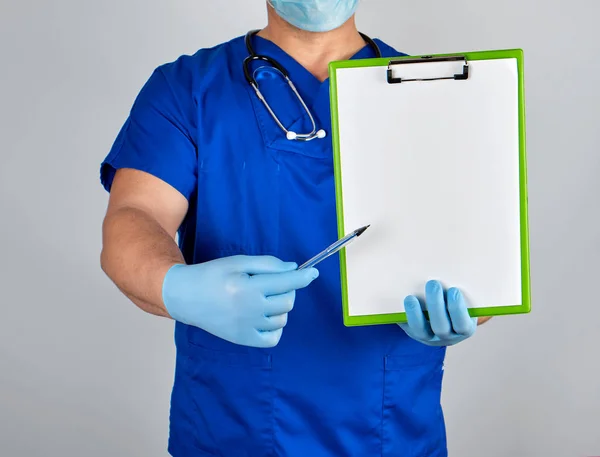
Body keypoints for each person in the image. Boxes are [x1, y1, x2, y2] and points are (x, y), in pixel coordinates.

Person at [99, 1, 490, 455]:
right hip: (229, 431)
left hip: (390, 433)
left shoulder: (436, 94)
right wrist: (177, 286)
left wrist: (466, 309)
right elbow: (135, 217)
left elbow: (482, 250)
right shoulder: (188, 89)